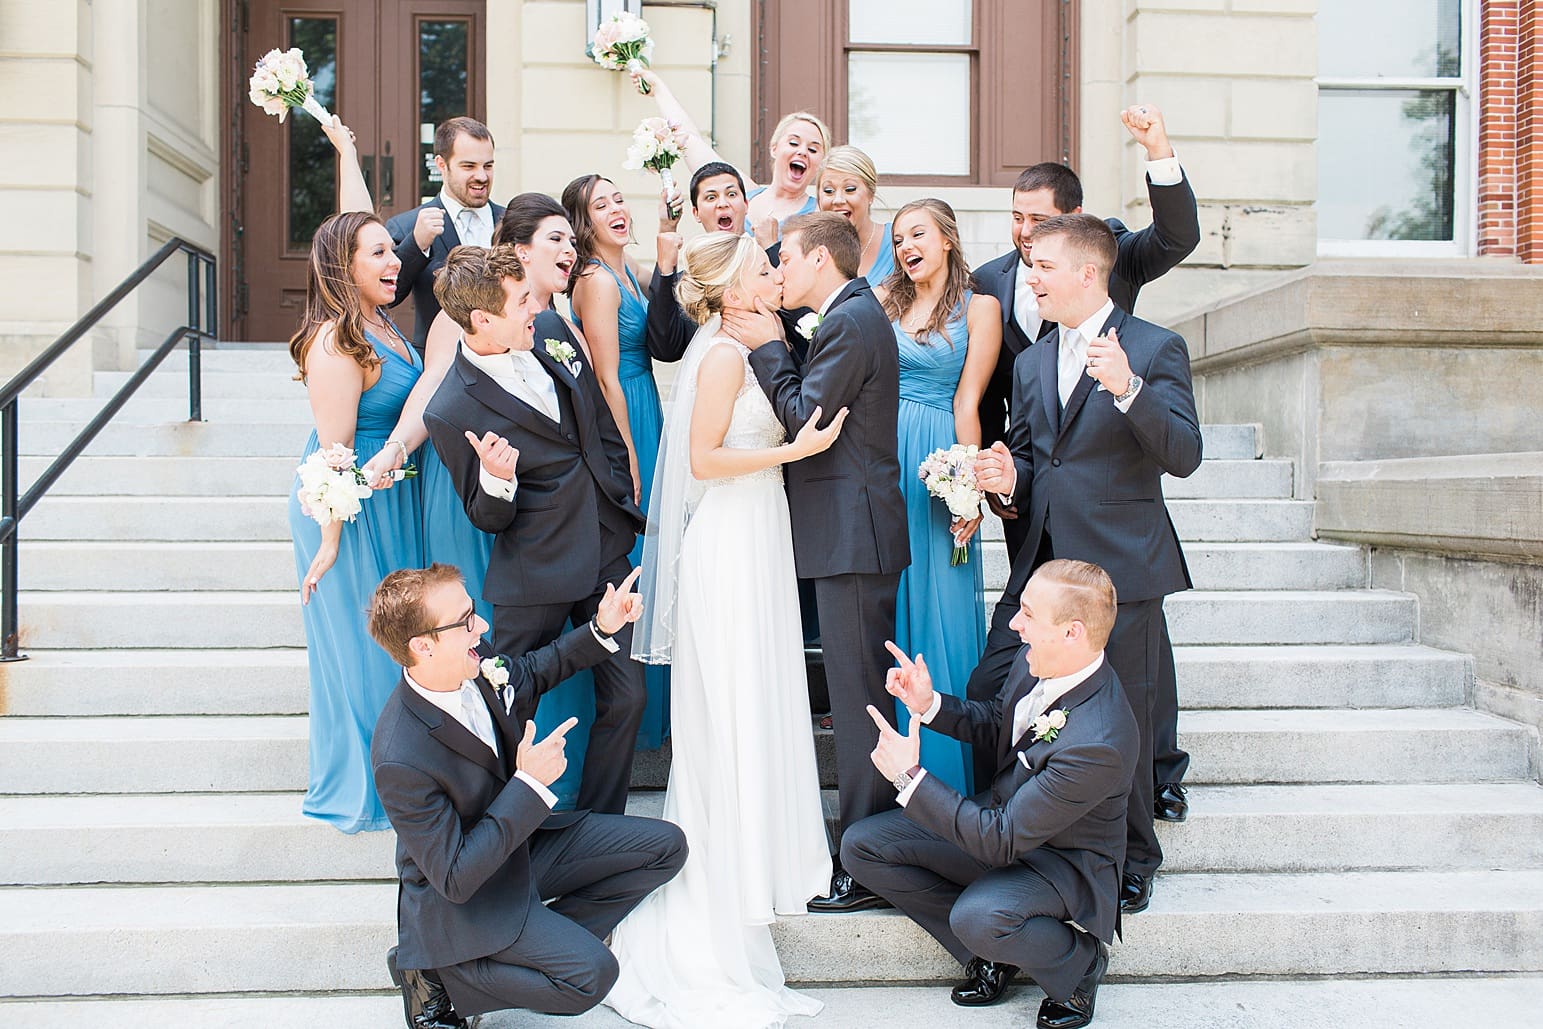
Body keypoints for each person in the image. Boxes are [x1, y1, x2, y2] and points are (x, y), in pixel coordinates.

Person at [604, 232, 843, 1028]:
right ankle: (724, 881)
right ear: (731, 290)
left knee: (755, 698)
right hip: (728, 542)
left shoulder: (750, 343)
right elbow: (704, 460)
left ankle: (755, 863)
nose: (775, 274)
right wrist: (794, 450)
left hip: (758, 534)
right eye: (761, 268)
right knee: (730, 707)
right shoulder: (719, 358)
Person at [972, 103, 1200, 821]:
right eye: (1018, 226)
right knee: (995, 685)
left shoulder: (1146, 333)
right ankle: (1004, 818)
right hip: (1042, 545)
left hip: (1119, 544)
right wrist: (1007, 486)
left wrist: (1128, 388)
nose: (1025, 253)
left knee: (1131, 696)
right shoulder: (1028, 341)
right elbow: (1033, 445)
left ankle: (1135, 839)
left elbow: (1185, 455)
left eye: (1039, 238)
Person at [366, 563, 686, 1027]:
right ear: (422, 646)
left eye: (473, 612)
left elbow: (532, 671)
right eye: (466, 621)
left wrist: (601, 628)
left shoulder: (474, 661)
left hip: (524, 848)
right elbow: (455, 875)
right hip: (470, 892)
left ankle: (527, 938)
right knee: (592, 976)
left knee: (666, 847)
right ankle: (442, 973)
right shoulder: (399, 753)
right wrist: (530, 784)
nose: (483, 626)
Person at [843, 560, 1138, 1029]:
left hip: (1059, 863)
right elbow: (998, 720)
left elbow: (999, 840)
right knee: (863, 847)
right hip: (1002, 822)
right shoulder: (1036, 659)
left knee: (978, 916)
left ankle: (1079, 964)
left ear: (1071, 633)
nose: (1015, 625)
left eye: (1028, 615)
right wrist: (929, 704)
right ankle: (991, 956)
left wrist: (909, 777)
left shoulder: (1097, 741)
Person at [723, 211, 909, 912]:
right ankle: (871, 846)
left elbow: (807, 419)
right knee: (858, 692)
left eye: (785, 261)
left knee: (860, 700)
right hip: (845, 531)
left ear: (820, 263)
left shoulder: (849, 321)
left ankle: (865, 861)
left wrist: (771, 347)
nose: (778, 273)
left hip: (852, 534)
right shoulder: (847, 316)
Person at [422, 245, 648, 817]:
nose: (535, 306)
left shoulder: (549, 329)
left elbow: (593, 416)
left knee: (628, 696)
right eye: (521, 300)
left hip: (604, 548)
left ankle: (602, 829)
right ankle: (502, 827)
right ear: (481, 320)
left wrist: (618, 486)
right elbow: (483, 514)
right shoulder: (450, 409)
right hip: (536, 567)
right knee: (508, 698)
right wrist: (497, 481)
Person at [286, 117, 425, 834]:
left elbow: (353, 224)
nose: (395, 258)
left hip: (387, 497)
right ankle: (370, 787)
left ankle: (404, 778)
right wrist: (332, 542)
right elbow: (333, 459)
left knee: (398, 642)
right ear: (347, 266)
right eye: (380, 252)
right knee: (371, 648)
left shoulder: (383, 324)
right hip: (347, 507)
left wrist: (345, 151)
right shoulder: (337, 343)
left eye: (393, 249)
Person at [876, 199, 1000, 795]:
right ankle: (889, 763)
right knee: (889, 596)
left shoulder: (981, 308)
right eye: (898, 239)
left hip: (935, 461)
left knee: (940, 600)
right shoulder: (883, 300)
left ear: (947, 238)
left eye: (917, 234)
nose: (905, 247)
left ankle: (944, 778)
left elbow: (968, 404)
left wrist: (968, 494)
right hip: (880, 458)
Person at [563, 172, 671, 751]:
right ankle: (635, 704)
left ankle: (653, 703)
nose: (616, 210)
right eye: (600, 205)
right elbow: (605, 375)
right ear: (584, 222)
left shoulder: (629, 270)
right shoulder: (596, 281)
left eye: (618, 199)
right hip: (623, 412)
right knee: (634, 550)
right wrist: (627, 452)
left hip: (646, 400)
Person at [633, 67, 829, 236]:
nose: (803, 152)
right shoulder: (744, 192)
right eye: (794, 143)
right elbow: (689, 139)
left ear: (820, 162)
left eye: (813, 149)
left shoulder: (821, 214)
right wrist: (658, 89)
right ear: (774, 148)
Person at [646, 163, 810, 365]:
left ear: (746, 204)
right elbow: (665, 349)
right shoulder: (692, 284)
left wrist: (771, 250)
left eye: (731, 194)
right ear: (696, 213)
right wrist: (665, 266)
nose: (722, 203)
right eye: (711, 197)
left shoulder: (777, 265)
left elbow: (806, 336)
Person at [385, 117, 502, 350]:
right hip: (441, 365)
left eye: (488, 166)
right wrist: (417, 244)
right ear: (441, 164)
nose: (481, 176)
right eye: (468, 166)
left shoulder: (512, 222)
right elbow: (390, 296)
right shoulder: (406, 226)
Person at [818, 146, 895, 284]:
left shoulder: (897, 242)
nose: (838, 200)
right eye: (829, 191)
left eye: (850, 189)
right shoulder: (809, 249)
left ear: (871, 194)